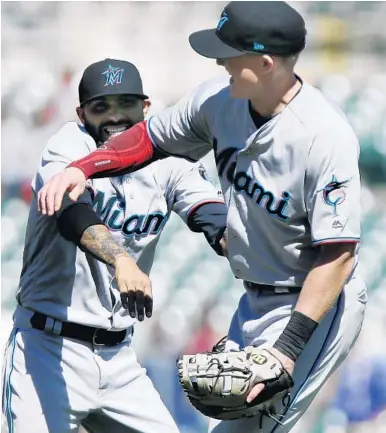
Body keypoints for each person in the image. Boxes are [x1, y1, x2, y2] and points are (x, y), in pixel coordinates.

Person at [37, 2, 367, 432]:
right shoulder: (218, 101)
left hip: (312, 305)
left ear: (265, 64)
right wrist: (83, 167)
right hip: (253, 298)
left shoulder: (324, 137)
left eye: (230, 53)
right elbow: (147, 141)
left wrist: (286, 350)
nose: (219, 61)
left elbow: (338, 256)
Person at [2, 58, 228, 433]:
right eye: (101, 106)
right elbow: (70, 212)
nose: (115, 115)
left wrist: (244, 245)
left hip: (120, 358)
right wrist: (121, 260)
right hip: (46, 348)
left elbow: (209, 214)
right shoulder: (68, 146)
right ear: (81, 113)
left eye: (126, 103)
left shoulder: (166, 161)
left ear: (146, 107)